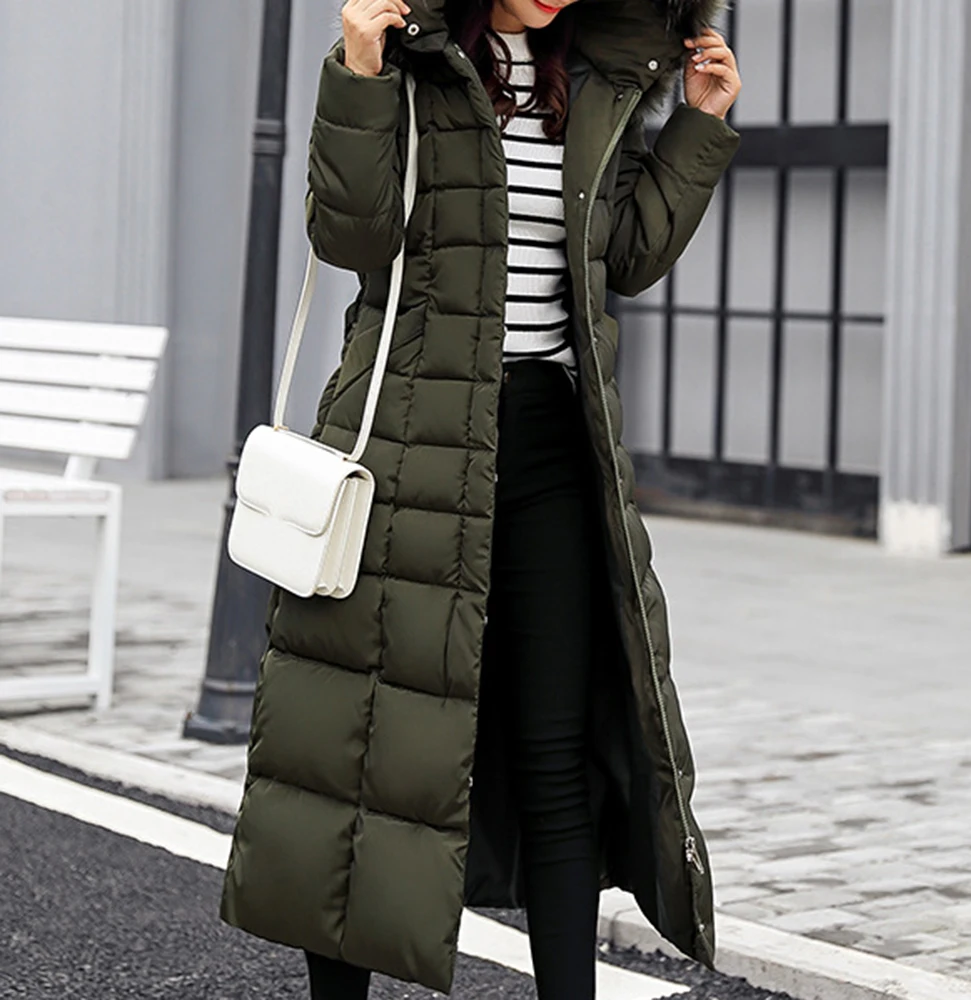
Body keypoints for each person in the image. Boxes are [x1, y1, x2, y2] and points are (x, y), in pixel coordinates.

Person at [219, 1, 741, 997]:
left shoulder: (597, 75)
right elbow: (351, 233)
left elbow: (623, 257)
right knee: (365, 746)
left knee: (556, 753)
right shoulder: (411, 57)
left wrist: (698, 126)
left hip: (552, 441)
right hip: (407, 438)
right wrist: (360, 71)